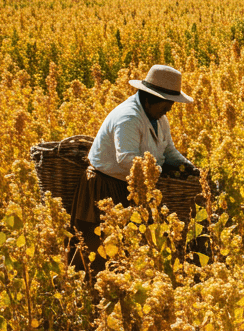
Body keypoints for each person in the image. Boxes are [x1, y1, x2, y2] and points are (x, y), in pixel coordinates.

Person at [72, 65, 196, 256]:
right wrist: (159, 172)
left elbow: (168, 150)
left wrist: (187, 167)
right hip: (105, 189)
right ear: (150, 99)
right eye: (168, 102)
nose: (171, 107)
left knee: (132, 251)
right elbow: (126, 158)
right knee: (101, 253)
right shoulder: (128, 117)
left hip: (131, 188)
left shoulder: (159, 117)